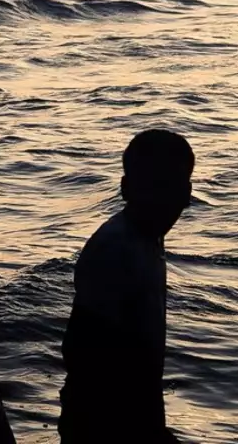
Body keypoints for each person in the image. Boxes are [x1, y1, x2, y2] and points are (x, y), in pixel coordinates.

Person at [59, 129, 195, 442]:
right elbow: (83, 352)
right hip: (103, 424)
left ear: (187, 192)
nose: (160, 199)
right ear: (126, 188)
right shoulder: (115, 247)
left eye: (169, 187)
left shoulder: (148, 240)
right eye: (152, 187)